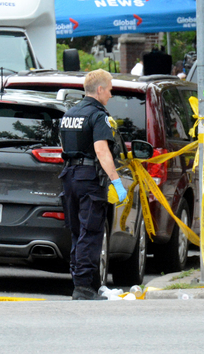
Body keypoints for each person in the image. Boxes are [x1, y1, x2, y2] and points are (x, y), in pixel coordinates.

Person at [58, 69, 128, 300]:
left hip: (69, 176)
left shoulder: (70, 113)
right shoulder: (98, 116)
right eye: (109, 89)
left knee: (78, 232)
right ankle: (84, 287)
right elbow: (101, 150)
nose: (110, 94)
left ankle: (85, 282)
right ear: (99, 90)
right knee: (91, 232)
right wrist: (117, 182)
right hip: (89, 178)